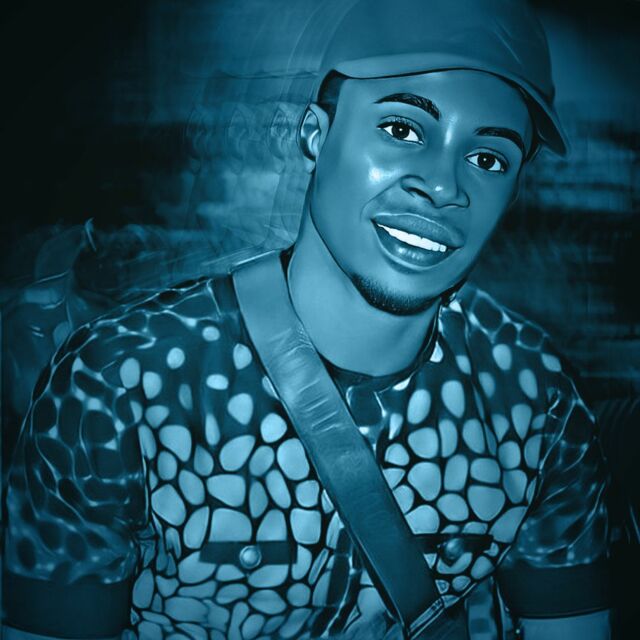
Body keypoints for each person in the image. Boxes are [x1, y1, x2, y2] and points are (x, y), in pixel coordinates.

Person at [3, 0, 611, 638]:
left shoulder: (535, 399)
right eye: (402, 129)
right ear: (316, 134)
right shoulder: (122, 381)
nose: (442, 186)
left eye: (488, 159)